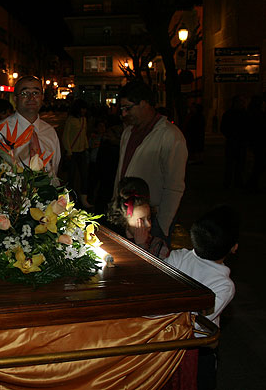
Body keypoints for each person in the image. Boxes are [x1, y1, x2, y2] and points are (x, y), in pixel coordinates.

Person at [164, 205, 239, 390]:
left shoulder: (177, 257)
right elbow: (200, 323)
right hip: (198, 350)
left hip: (164, 344)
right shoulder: (224, 285)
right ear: (234, 247)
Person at [114, 81, 187, 243]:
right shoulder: (128, 133)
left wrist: (162, 225)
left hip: (152, 220)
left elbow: (174, 186)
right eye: (122, 109)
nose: (124, 114)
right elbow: (121, 172)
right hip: (127, 215)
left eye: (128, 108)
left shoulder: (170, 135)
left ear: (145, 103)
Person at [0, 76, 61, 175]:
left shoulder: (50, 132)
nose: (31, 97)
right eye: (24, 93)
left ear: (42, 97)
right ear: (15, 99)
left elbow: (54, 171)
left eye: (36, 93)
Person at [108, 177, 169, 259]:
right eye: (141, 220)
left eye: (149, 218)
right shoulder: (116, 242)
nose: (149, 224)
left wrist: (142, 246)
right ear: (124, 221)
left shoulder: (158, 246)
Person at [62, 99, 92, 208]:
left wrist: (86, 147)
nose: (84, 110)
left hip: (82, 151)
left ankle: (84, 199)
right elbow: (65, 137)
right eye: (82, 108)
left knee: (84, 176)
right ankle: (71, 198)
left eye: (85, 108)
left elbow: (83, 135)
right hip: (73, 152)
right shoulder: (70, 120)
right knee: (71, 177)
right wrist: (68, 151)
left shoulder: (84, 119)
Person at [220, 94, 248, 189]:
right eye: (241, 101)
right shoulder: (230, 114)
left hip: (240, 142)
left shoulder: (244, 113)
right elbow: (223, 128)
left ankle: (237, 182)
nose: (242, 104)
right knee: (230, 164)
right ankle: (228, 182)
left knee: (239, 164)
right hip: (233, 142)